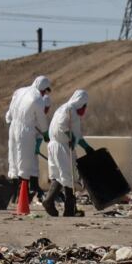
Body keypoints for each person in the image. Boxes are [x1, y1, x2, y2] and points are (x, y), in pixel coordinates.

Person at [42, 89, 93, 217]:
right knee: (68, 176)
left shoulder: (63, 108)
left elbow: (77, 135)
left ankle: (49, 201)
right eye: (84, 105)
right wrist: (69, 136)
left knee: (59, 176)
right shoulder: (71, 110)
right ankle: (69, 209)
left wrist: (86, 147)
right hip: (62, 146)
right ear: (81, 102)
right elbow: (62, 126)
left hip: (54, 145)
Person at [6, 76, 52, 202]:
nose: (44, 93)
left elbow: (8, 115)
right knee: (25, 162)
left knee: (14, 160)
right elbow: (42, 119)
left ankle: (14, 196)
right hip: (25, 130)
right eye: (44, 90)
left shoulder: (20, 91)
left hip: (13, 127)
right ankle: (23, 198)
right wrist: (46, 133)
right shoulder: (37, 98)